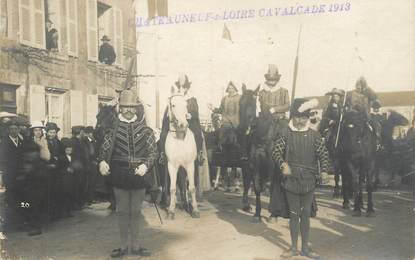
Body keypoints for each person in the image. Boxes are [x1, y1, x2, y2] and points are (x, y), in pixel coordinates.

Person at [98, 88, 158, 258]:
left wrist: (146, 166)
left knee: (136, 211)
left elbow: (153, 152)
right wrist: (102, 161)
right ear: (120, 108)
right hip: (120, 175)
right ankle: (124, 246)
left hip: (139, 175)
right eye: (125, 107)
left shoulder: (146, 130)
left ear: (136, 108)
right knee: (123, 211)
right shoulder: (112, 130)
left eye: (132, 107)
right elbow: (104, 150)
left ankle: (136, 246)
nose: (129, 110)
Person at [272, 98, 329, 259]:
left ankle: (305, 248)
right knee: (294, 214)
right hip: (290, 180)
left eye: (303, 117)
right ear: (292, 117)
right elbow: (276, 151)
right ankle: (293, 248)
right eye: (297, 117)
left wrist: (324, 171)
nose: (300, 120)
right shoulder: (285, 133)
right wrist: (283, 164)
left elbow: (323, 154)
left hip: (309, 180)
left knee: (305, 215)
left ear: (307, 118)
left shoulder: (314, 135)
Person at [160, 74, 204, 164]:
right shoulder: (174, 94)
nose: (181, 81)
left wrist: (190, 115)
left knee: (197, 133)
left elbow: (195, 111)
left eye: (183, 79)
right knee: (164, 132)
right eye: (179, 79)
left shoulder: (191, 97)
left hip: (188, 120)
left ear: (186, 83)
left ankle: (199, 153)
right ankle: (162, 154)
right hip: (175, 119)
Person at [19, 121, 51, 236]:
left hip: (40, 175)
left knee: (37, 201)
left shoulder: (44, 142)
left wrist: (42, 147)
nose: (38, 132)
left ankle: (36, 225)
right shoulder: (28, 142)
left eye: (39, 130)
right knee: (27, 201)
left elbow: (47, 157)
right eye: (35, 130)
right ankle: (31, 223)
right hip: (30, 175)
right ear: (32, 131)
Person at [45, 122, 64, 219]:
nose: (52, 134)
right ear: (47, 132)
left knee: (58, 191)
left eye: (54, 132)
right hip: (48, 170)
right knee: (49, 192)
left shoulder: (59, 143)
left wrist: (58, 159)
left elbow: (63, 154)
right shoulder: (44, 142)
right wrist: (52, 160)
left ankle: (57, 212)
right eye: (50, 132)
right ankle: (50, 213)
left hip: (58, 170)